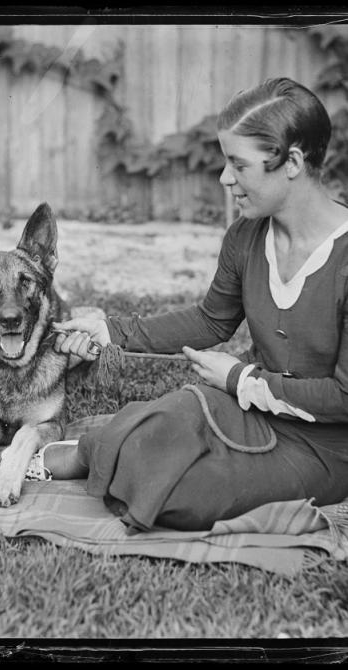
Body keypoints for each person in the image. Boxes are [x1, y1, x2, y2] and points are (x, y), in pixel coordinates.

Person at [28, 76, 348, 534]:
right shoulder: (245, 237)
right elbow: (210, 320)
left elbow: (344, 398)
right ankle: (94, 450)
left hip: (326, 447)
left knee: (185, 497)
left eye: (238, 164)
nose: (224, 179)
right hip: (248, 405)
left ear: (292, 162)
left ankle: (98, 452)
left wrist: (239, 378)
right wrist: (111, 331)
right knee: (169, 418)